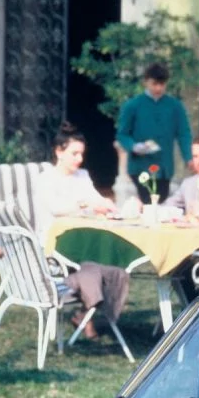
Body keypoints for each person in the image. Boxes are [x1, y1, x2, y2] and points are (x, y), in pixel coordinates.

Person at [33, 123, 127, 340]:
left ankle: (87, 313)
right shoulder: (47, 179)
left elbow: (96, 197)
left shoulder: (82, 176)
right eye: (74, 153)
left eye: (81, 154)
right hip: (55, 246)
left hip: (82, 240)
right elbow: (57, 209)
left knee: (111, 260)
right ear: (59, 151)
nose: (79, 159)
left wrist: (109, 205)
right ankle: (89, 314)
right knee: (92, 267)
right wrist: (85, 204)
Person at [115, 62, 193, 201]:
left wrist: (188, 157)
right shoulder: (133, 105)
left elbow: (183, 133)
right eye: (154, 84)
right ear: (146, 82)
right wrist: (134, 146)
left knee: (161, 199)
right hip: (140, 165)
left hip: (164, 166)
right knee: (148, 200)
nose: (158, 88)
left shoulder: (175, 106)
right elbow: (122, 134)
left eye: (162, 84)